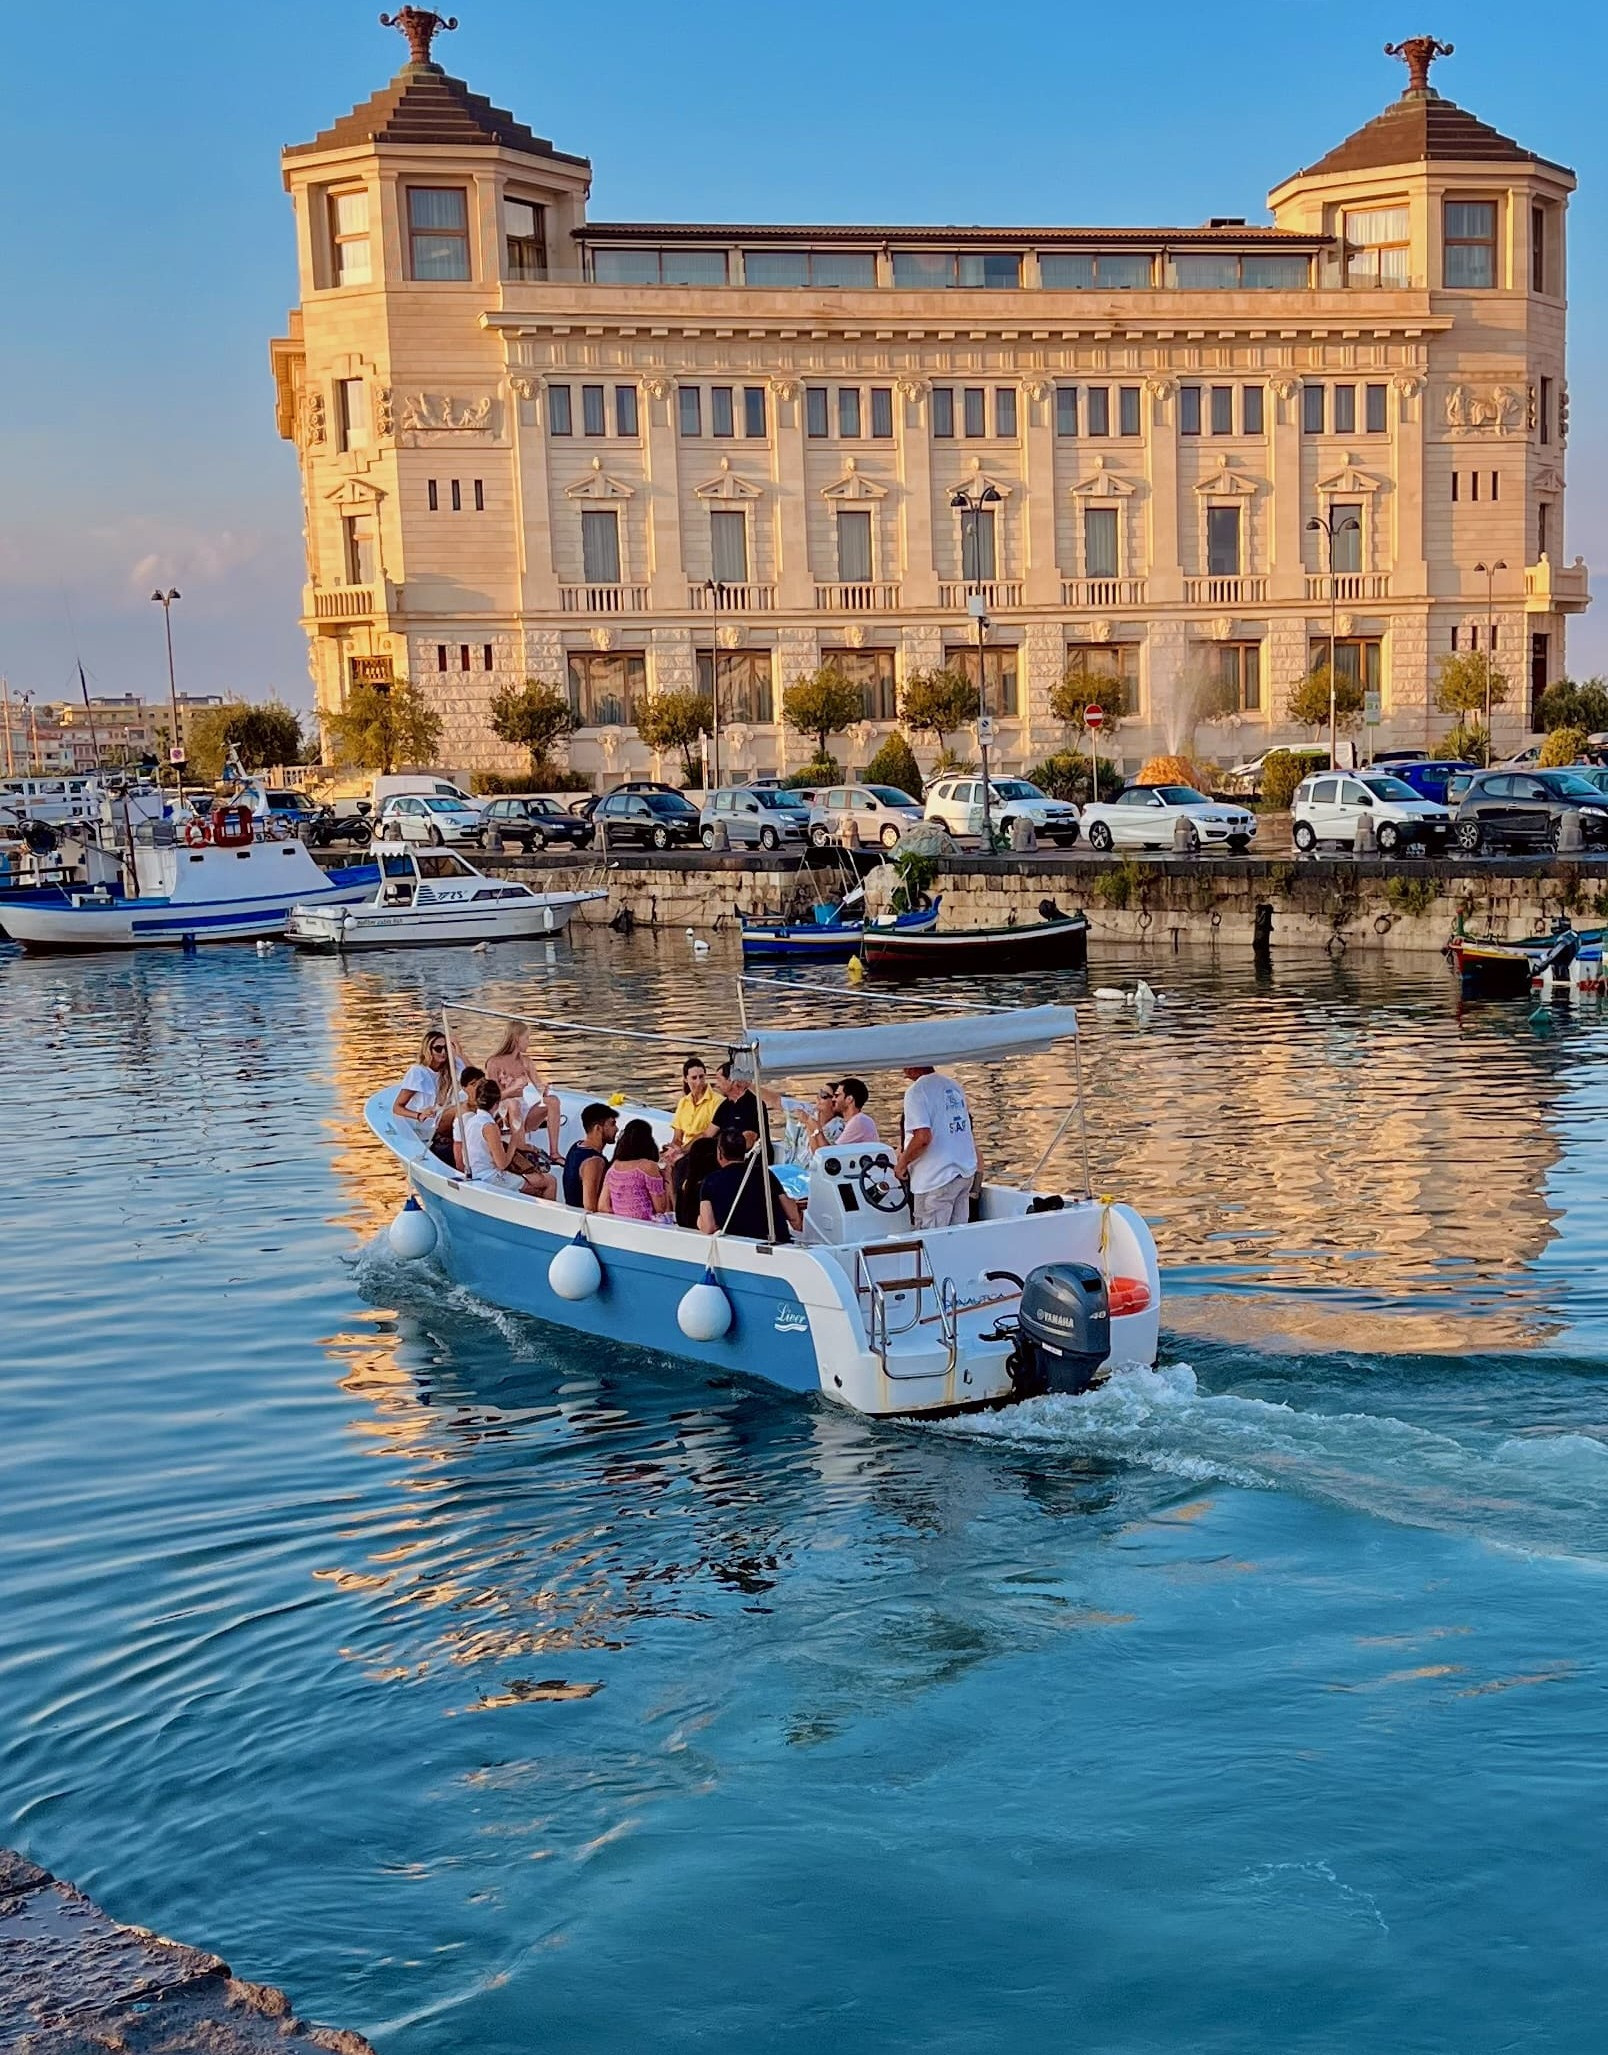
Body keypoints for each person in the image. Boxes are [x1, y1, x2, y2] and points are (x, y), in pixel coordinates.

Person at [894, 1065, 978, 1229]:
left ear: (911, 1067)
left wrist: (902, 1164)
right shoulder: (953, 1085)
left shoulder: (916, 1091)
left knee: (931, 1237)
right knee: (957, 1235)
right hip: (964, 1173)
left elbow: (923, 1137)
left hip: (935, 1178)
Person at [698, 1125, 803, 1243]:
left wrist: (699, 1221)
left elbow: (708, 1227)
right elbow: (793, 1216)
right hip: (776, 1242)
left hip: (739, 1245)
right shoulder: (765, 1174)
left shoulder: (711, 1181)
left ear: (719, 1153)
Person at [461, 1077, 556, 1198]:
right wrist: (514, 1140)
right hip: (488, 1177)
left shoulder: (471, 1121)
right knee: (549, 1182)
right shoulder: (489, 1126)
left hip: (474, 1172)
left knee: (533, 1178)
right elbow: (502, 1164)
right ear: (497, 1103)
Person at [484, 1023, 561, 1160]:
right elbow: (492, 1098)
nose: (528, 1042)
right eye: (526, 1038)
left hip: (522, 1112)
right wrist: (512, 1089)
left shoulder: (525, 1062)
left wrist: (544, 1090)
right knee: (514, 1104)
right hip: (502, 1111)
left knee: (553, 1101)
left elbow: (539, 1087)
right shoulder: (494, 1063)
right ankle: (521, 1147)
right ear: (516, 1039)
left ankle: (554, 1153)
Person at [600, 1119, 672, 1222]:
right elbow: (660, 1208)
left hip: (620, 1224)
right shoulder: (648, 1166)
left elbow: (603, 1206)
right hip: (646, 1225)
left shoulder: (613, 1167)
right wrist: (667, 1179)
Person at [394, 1030, 451, 1138]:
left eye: (446, 1048)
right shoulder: (418, 1072)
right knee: (459, 1110)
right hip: (423, 1123)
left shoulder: (449, 1069)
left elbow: (475, 1078)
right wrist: (419, 1115)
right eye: (438, 1048)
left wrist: (459, 1052)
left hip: (439, 1118)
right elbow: (397, 1107)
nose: (443, 1052)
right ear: (428, 1050)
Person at [562, 1102, 617, 1211]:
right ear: (598, 1128)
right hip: (582, 1217)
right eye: (612, 1124)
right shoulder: (594, 1162)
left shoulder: (577, 1146)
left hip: (572, 1211)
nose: (616, 1129)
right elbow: (590, 1207)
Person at [430, 1063, 483, 1167]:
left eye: (480, 1084)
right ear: (464, 1088)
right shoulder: (463, 1108)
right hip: (444, 1144)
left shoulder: (485, 1102)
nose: (477, 1087)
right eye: (473, 1084)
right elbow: (459, 1143)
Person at [667, 1057, 720, 1159]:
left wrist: (682, 1151)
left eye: (701, 1077)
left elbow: (707, 1135)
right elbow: (678, 1137)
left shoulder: (717, 1102)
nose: (699, 1082)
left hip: (703, 1153)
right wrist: (673, 1151)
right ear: (686, 1079)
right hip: (684, 1153)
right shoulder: (683, 1102)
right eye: (694, 1078)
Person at [711, 1061, 762, 1153]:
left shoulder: (752, 1104)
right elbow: (707, 1133)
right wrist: (685, 1150)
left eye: (719, 1080)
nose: (717, 1085)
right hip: (725, 1152)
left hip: (744, 1156)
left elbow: (749, 1140)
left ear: (731, 1080)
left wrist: (722, 1150)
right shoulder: (725, 1105)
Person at [833, 1077, 879, 1146]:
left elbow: (832, 1151)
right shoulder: (858, 1120)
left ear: (849, 1099)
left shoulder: (858, 1121)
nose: (833, 1099)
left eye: (837, 1095)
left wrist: (816, 1128)